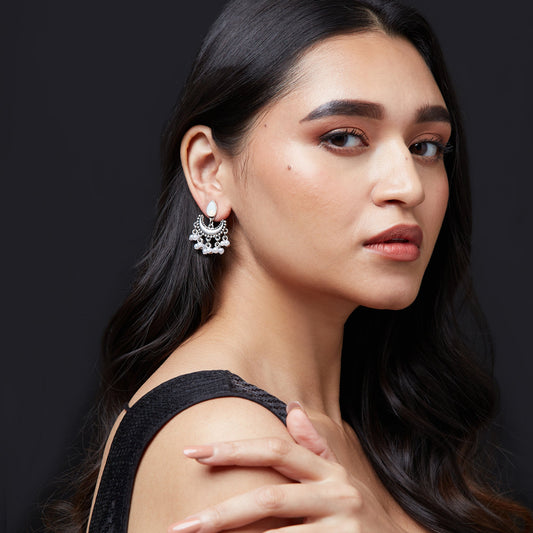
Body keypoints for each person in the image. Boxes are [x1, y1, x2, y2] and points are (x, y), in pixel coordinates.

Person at [44, 0, 532, 532]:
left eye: (426, 146)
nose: (408, 185)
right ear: (209, 170)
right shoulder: (230, 441)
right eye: (343, 137)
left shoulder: (357, 432)